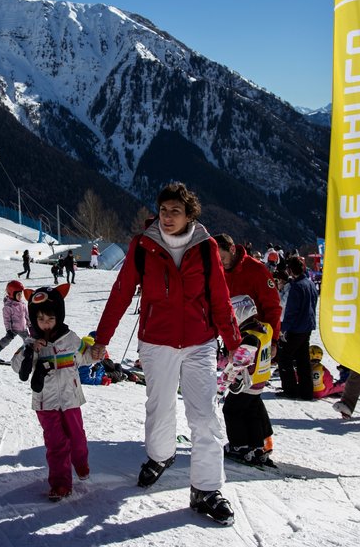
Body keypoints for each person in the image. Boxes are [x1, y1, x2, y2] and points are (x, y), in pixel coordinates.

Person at [91, 182, 241, 525]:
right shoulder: (144, 246)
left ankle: (206, 488)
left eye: (176, 211)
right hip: (157, 342)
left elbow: (220, 300)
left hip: (200, 342)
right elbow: (121, 293)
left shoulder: (206, 248)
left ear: (190, 215)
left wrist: (233, 345)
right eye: (163, 210)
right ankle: (160, 457)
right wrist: (102, 338)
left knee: (204, 416)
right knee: (160, 409)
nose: (168, 217)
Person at [12, 283, 92, 501]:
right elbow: (16, 366)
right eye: (40, 320)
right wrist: (30, 350)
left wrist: (98, 351)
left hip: (71, 399)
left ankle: (81, 461)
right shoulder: (32, 343)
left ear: (59, 316)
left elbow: (86, 357)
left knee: (76, 438)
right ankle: (60, 484)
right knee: (56, 443)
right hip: (45, 402)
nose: (45, 324)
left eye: (50, 319)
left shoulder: (70, 339)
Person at [219, 296, 277, 466]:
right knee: (252, 412)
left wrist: (219, 363)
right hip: (259, 380)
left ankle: (239, 445)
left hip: (246, 383)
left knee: (232, 410)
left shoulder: (248, 337)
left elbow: (237, 363)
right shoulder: (265, 328)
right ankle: (257, 446)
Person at [277, 256, 318, 401]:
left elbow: (291, 311)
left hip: (295, 327)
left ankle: (290, 389)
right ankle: (307, 391)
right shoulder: (310, 283)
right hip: (307, 325)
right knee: (303, 359)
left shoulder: (296, 286)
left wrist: (283, 328)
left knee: (285, 357)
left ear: (290, 270)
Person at [0, 280, 28, 362]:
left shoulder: (22, 304)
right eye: (18, 294)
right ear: (11, 294)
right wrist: (9, 330)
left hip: (23, 329)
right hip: (13, 329)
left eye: (21, 294)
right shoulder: (8, 306)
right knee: (5, 341)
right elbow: (7, 320)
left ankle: (27, 357)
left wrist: (30, 325)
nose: (20, 296)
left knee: (29, 343)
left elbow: (27, 316)